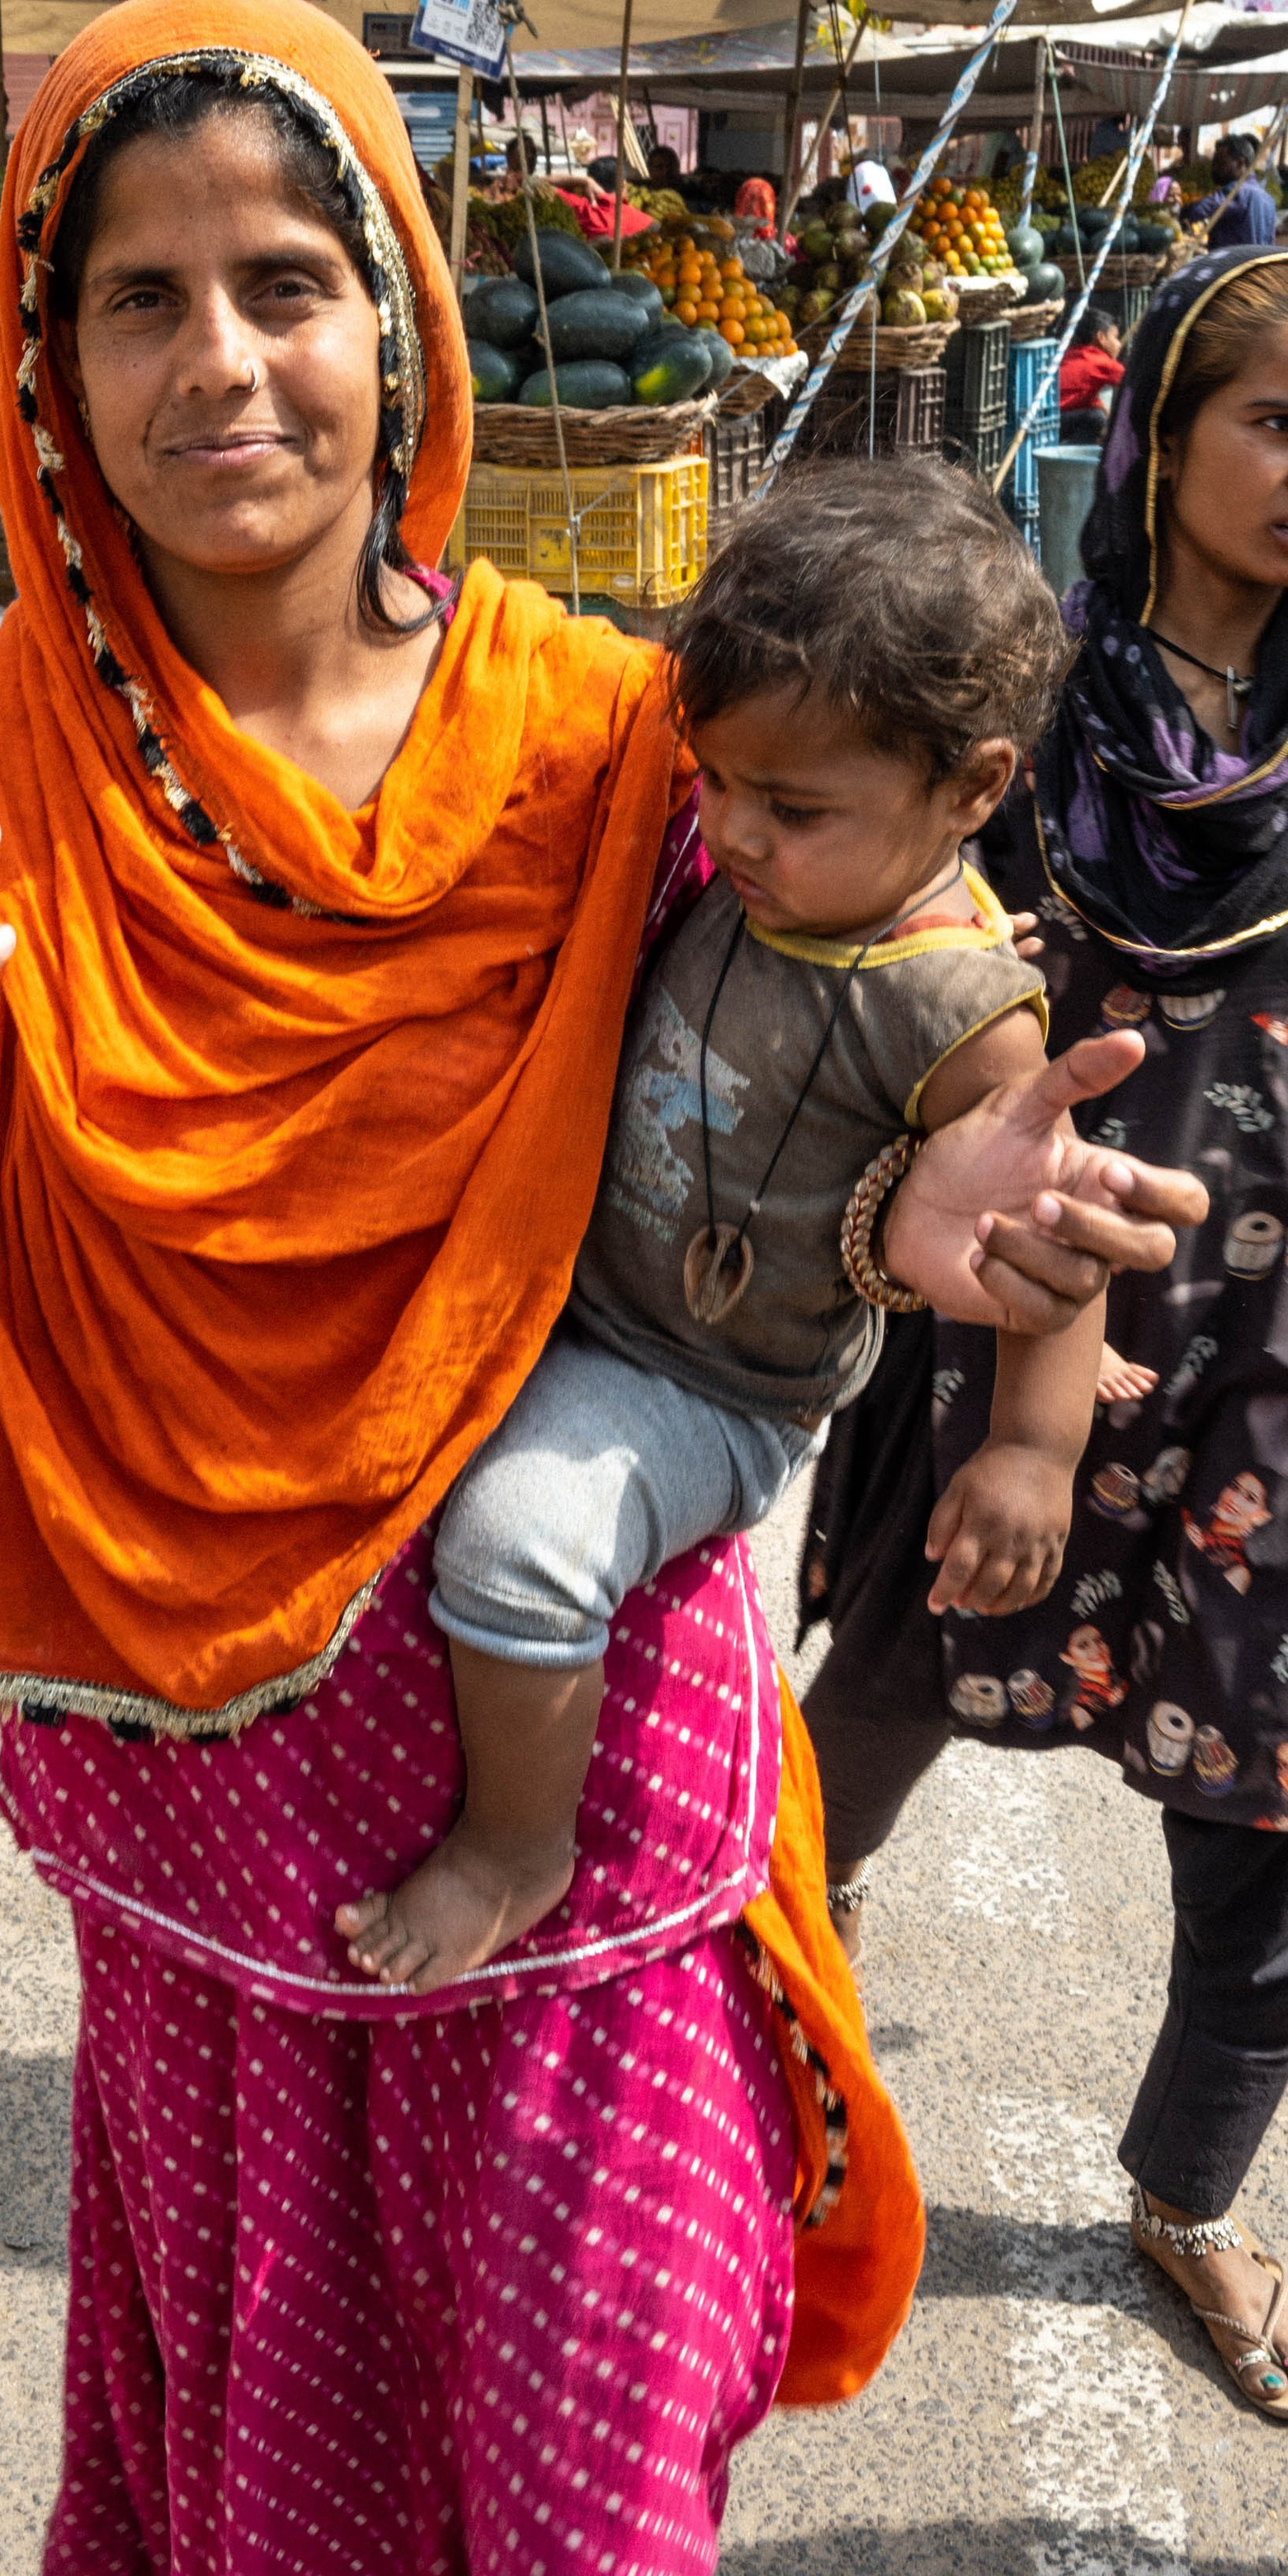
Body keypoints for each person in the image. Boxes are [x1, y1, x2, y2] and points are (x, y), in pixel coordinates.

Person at [0, 0, 1205, 2576]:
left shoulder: (616, 748)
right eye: (135, 299)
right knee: (283, 2520)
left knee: (589, 2524)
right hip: (211, 1868)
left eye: (284, 278)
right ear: (47, 368)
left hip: (581, 1843)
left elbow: (863, 1066)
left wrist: (920, 1218)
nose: (218, 359)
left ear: (396, 322)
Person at [800, 248, 1288, 2428]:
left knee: (1284, 1782)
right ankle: (761, 2055)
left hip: (1280, 1342)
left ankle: (1190, 2195)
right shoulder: (1026, 714)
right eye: (1276, 420)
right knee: (868, 1714)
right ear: (1161, 437)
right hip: (1012, 1320)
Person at [339, 465, 1105, 1996]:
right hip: (577, 1290)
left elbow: (1050, 1243)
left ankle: (517, 1850)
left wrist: (1034, 1452)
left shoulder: (959, 1009)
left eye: (795, 807)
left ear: (972, 789)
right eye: (721, 781)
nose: (738, 833)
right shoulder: (761, 869)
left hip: (710, 1382)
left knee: (520, 1544)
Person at [1196, 134, 1280, 252]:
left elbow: (1199, 209)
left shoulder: (1236, 192)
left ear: (1240, 163)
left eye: (1220, 162)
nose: (1214, 168)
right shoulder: (1268, 199)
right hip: (1258, 262)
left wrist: (1178, 211)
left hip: (1232, 263)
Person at [1059, 306, 1125, 444]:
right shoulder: (1100, 361)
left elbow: (1080, 394)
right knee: (1096, 418)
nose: (1119, 345)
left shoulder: (1070, 354)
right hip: (1062, 419)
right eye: (1115, 338)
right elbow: (1133, 381)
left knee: (1098, 413)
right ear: (1101, 337)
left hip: (1055, 418)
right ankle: (1076, 450)